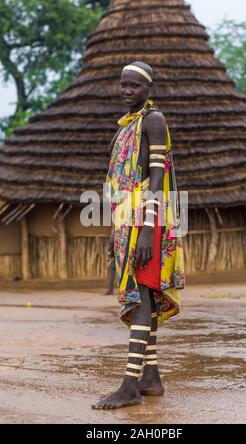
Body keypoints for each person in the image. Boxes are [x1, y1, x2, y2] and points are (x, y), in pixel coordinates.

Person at [92, 61, 185, 410]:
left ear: (149, 88)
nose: (127, 91)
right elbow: (118, 185)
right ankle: (150, 377)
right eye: (123, 85)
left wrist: (147, 228)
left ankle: (129, 385)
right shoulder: (123, 128)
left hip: (146, 217)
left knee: (142, 295)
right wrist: (112, 230)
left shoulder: (153, 121)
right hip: (125, 218)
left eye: (134, 85)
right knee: (142, 292)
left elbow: (158, 178)